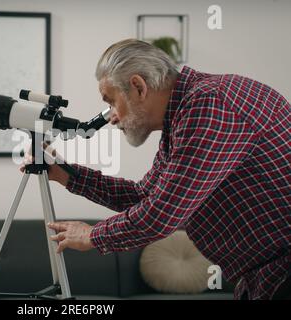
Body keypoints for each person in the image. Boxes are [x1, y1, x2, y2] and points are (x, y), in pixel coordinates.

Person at [20, 39, 290, 300]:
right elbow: (143, 197)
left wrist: (93, 235)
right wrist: (66, 175)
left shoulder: (210, 104)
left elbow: (161, 214)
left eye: (111, 101)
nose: (112, 117)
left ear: (138, 86)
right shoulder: (182, 117)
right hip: (264, 276)